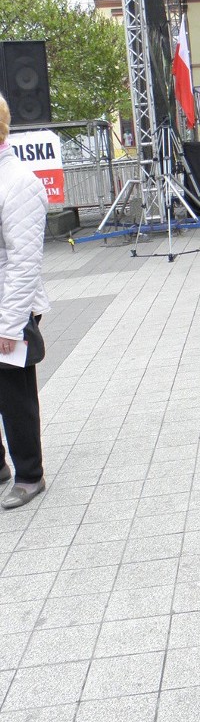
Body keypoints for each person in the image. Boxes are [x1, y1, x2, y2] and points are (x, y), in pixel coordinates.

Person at [0, 93, 49, 510]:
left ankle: (29, 474)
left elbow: (24, 260)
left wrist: (8, 323)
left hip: (8, 305)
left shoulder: (20, 182)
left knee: (13, 393)